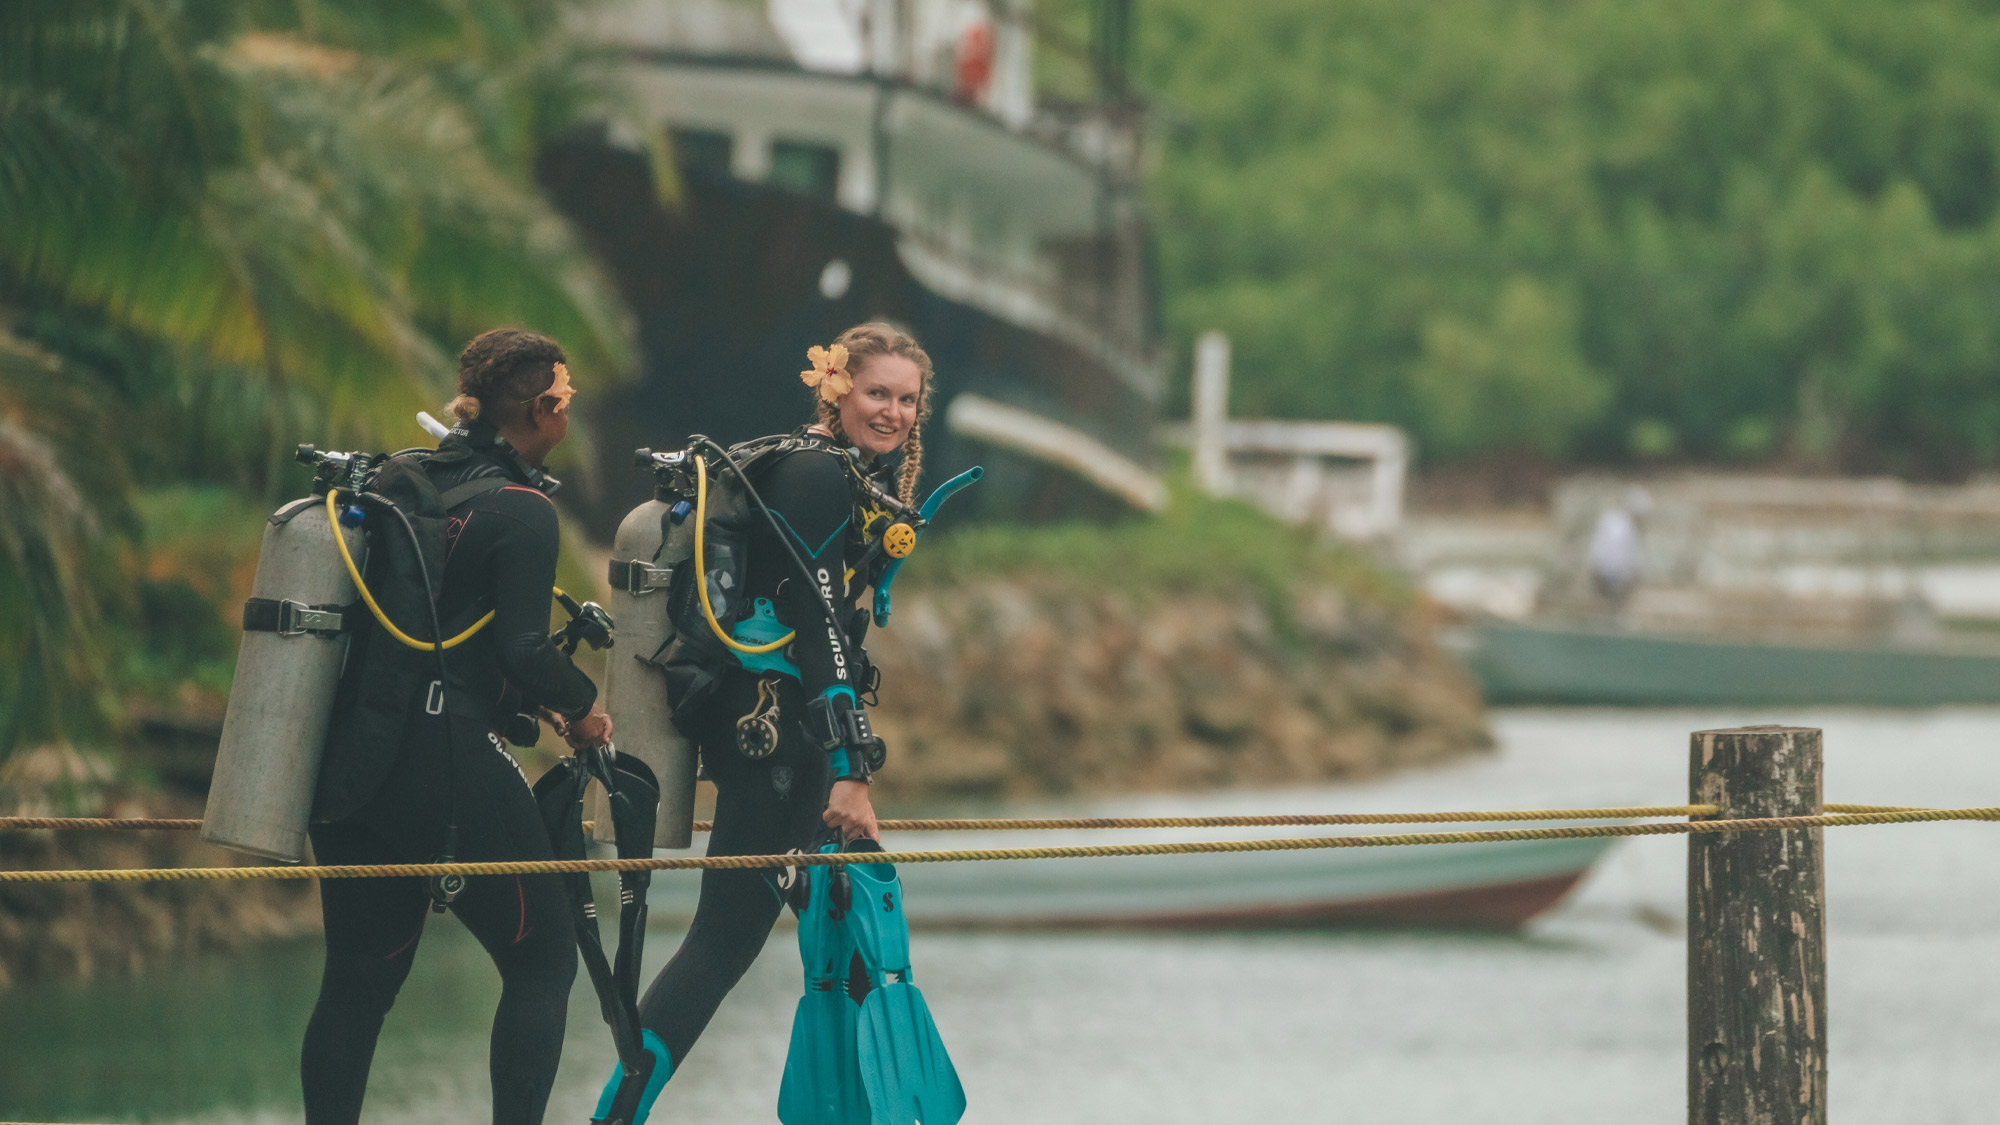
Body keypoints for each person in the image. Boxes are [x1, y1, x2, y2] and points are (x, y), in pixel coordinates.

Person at [611, 322, 933, 1107]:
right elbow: (820, 629)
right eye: (876, 392)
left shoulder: (824, 467)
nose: (891, 411)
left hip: (773, 718)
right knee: (725, 938)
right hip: (775, 727)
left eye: (907, 399)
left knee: (851, 933)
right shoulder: (819, 477)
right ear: (836, 390)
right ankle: (615, 1112)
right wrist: (853, 770)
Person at [302, 329, 613, 1125]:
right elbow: (522, 645)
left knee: (356, 985)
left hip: (352, 762)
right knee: (543, 959)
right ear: (544, 407)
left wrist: (522, 692)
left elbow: (449, 627)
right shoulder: (523, 509)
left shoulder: (403, 477)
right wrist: (583, 707)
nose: (568, 415)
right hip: (442, 758)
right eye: (567, 402)